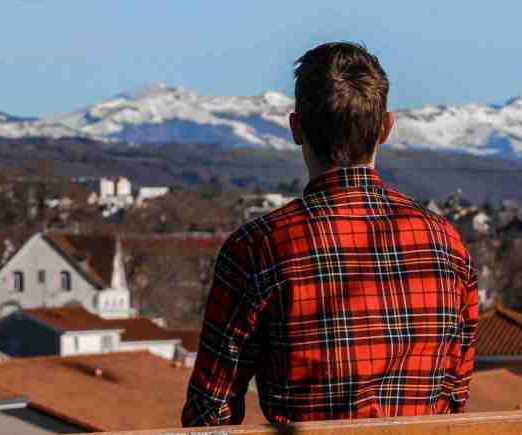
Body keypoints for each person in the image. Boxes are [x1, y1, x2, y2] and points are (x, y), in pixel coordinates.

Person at [182, 42, 479, 427]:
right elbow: (455, 395)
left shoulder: (257, 248)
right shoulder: (446, 245)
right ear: (386, 128)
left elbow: (210, 413)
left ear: (295, 129)